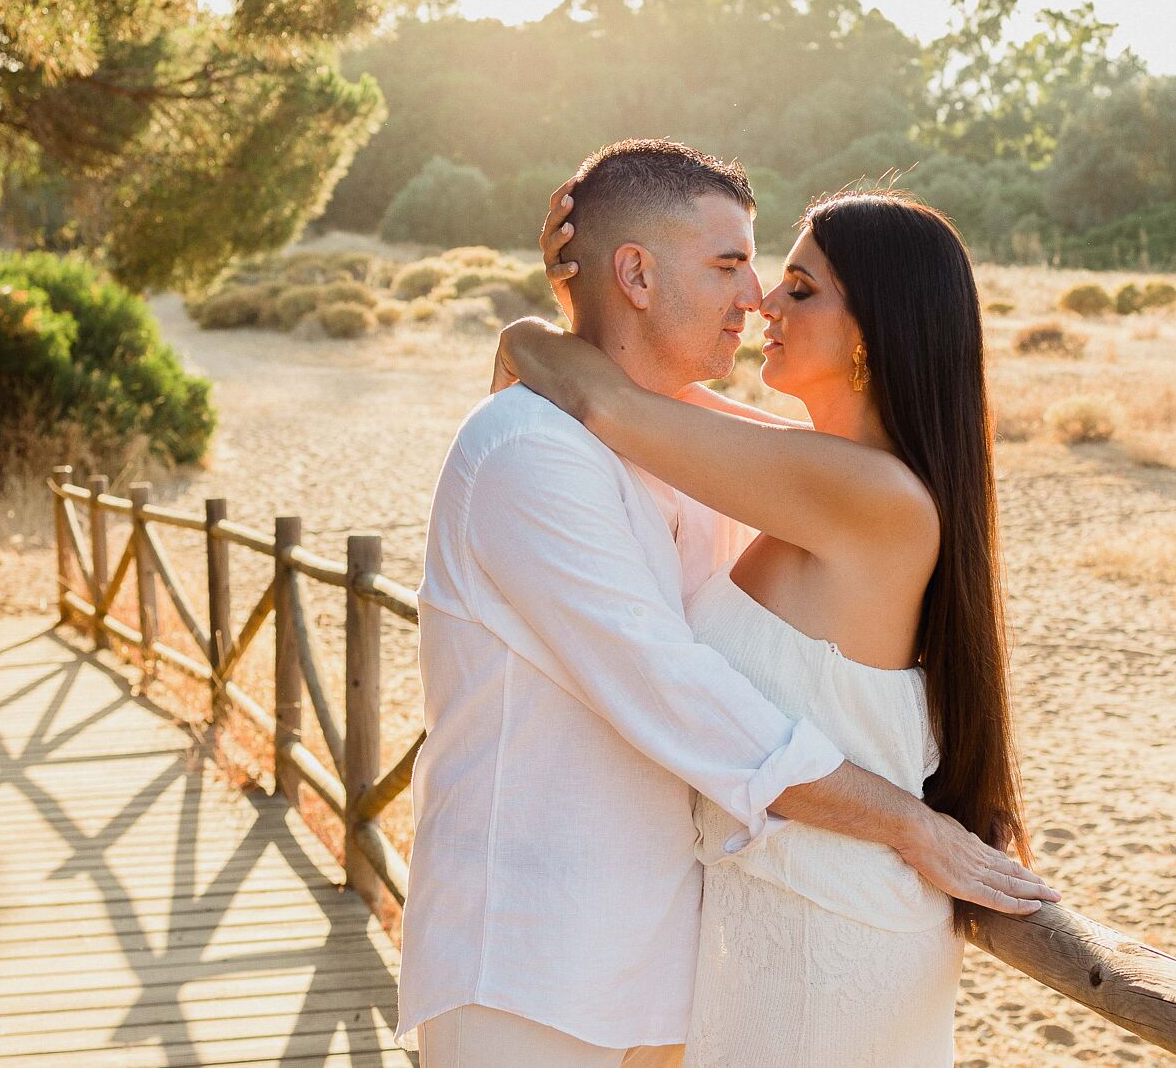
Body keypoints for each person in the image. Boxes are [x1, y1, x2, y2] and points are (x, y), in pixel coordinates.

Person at [396, 139, 1052, 1067]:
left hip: (746, 937)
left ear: (875, 330)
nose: (758, 300)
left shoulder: (815, 484)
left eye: (792, 283)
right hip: (539, 957)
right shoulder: (544, 452)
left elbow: (615, 400)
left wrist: (543, 334)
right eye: (734, 266)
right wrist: (545, 332)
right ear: (636, 272)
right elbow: (672, 684)